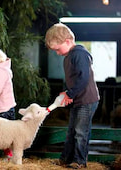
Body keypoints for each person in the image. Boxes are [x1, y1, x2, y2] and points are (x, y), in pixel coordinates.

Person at [45, 23, 100, 169]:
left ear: (68, 42)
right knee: (71, 131)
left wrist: (70, 93)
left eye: (57, 49)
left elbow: (83, 78)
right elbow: (72, 79)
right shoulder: (68, 57)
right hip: (77, 99)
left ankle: (80, 161)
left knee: (80, 132)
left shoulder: (80, 54)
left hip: (86, 100)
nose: (57, 53)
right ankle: (65, 159)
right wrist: (66, 92)